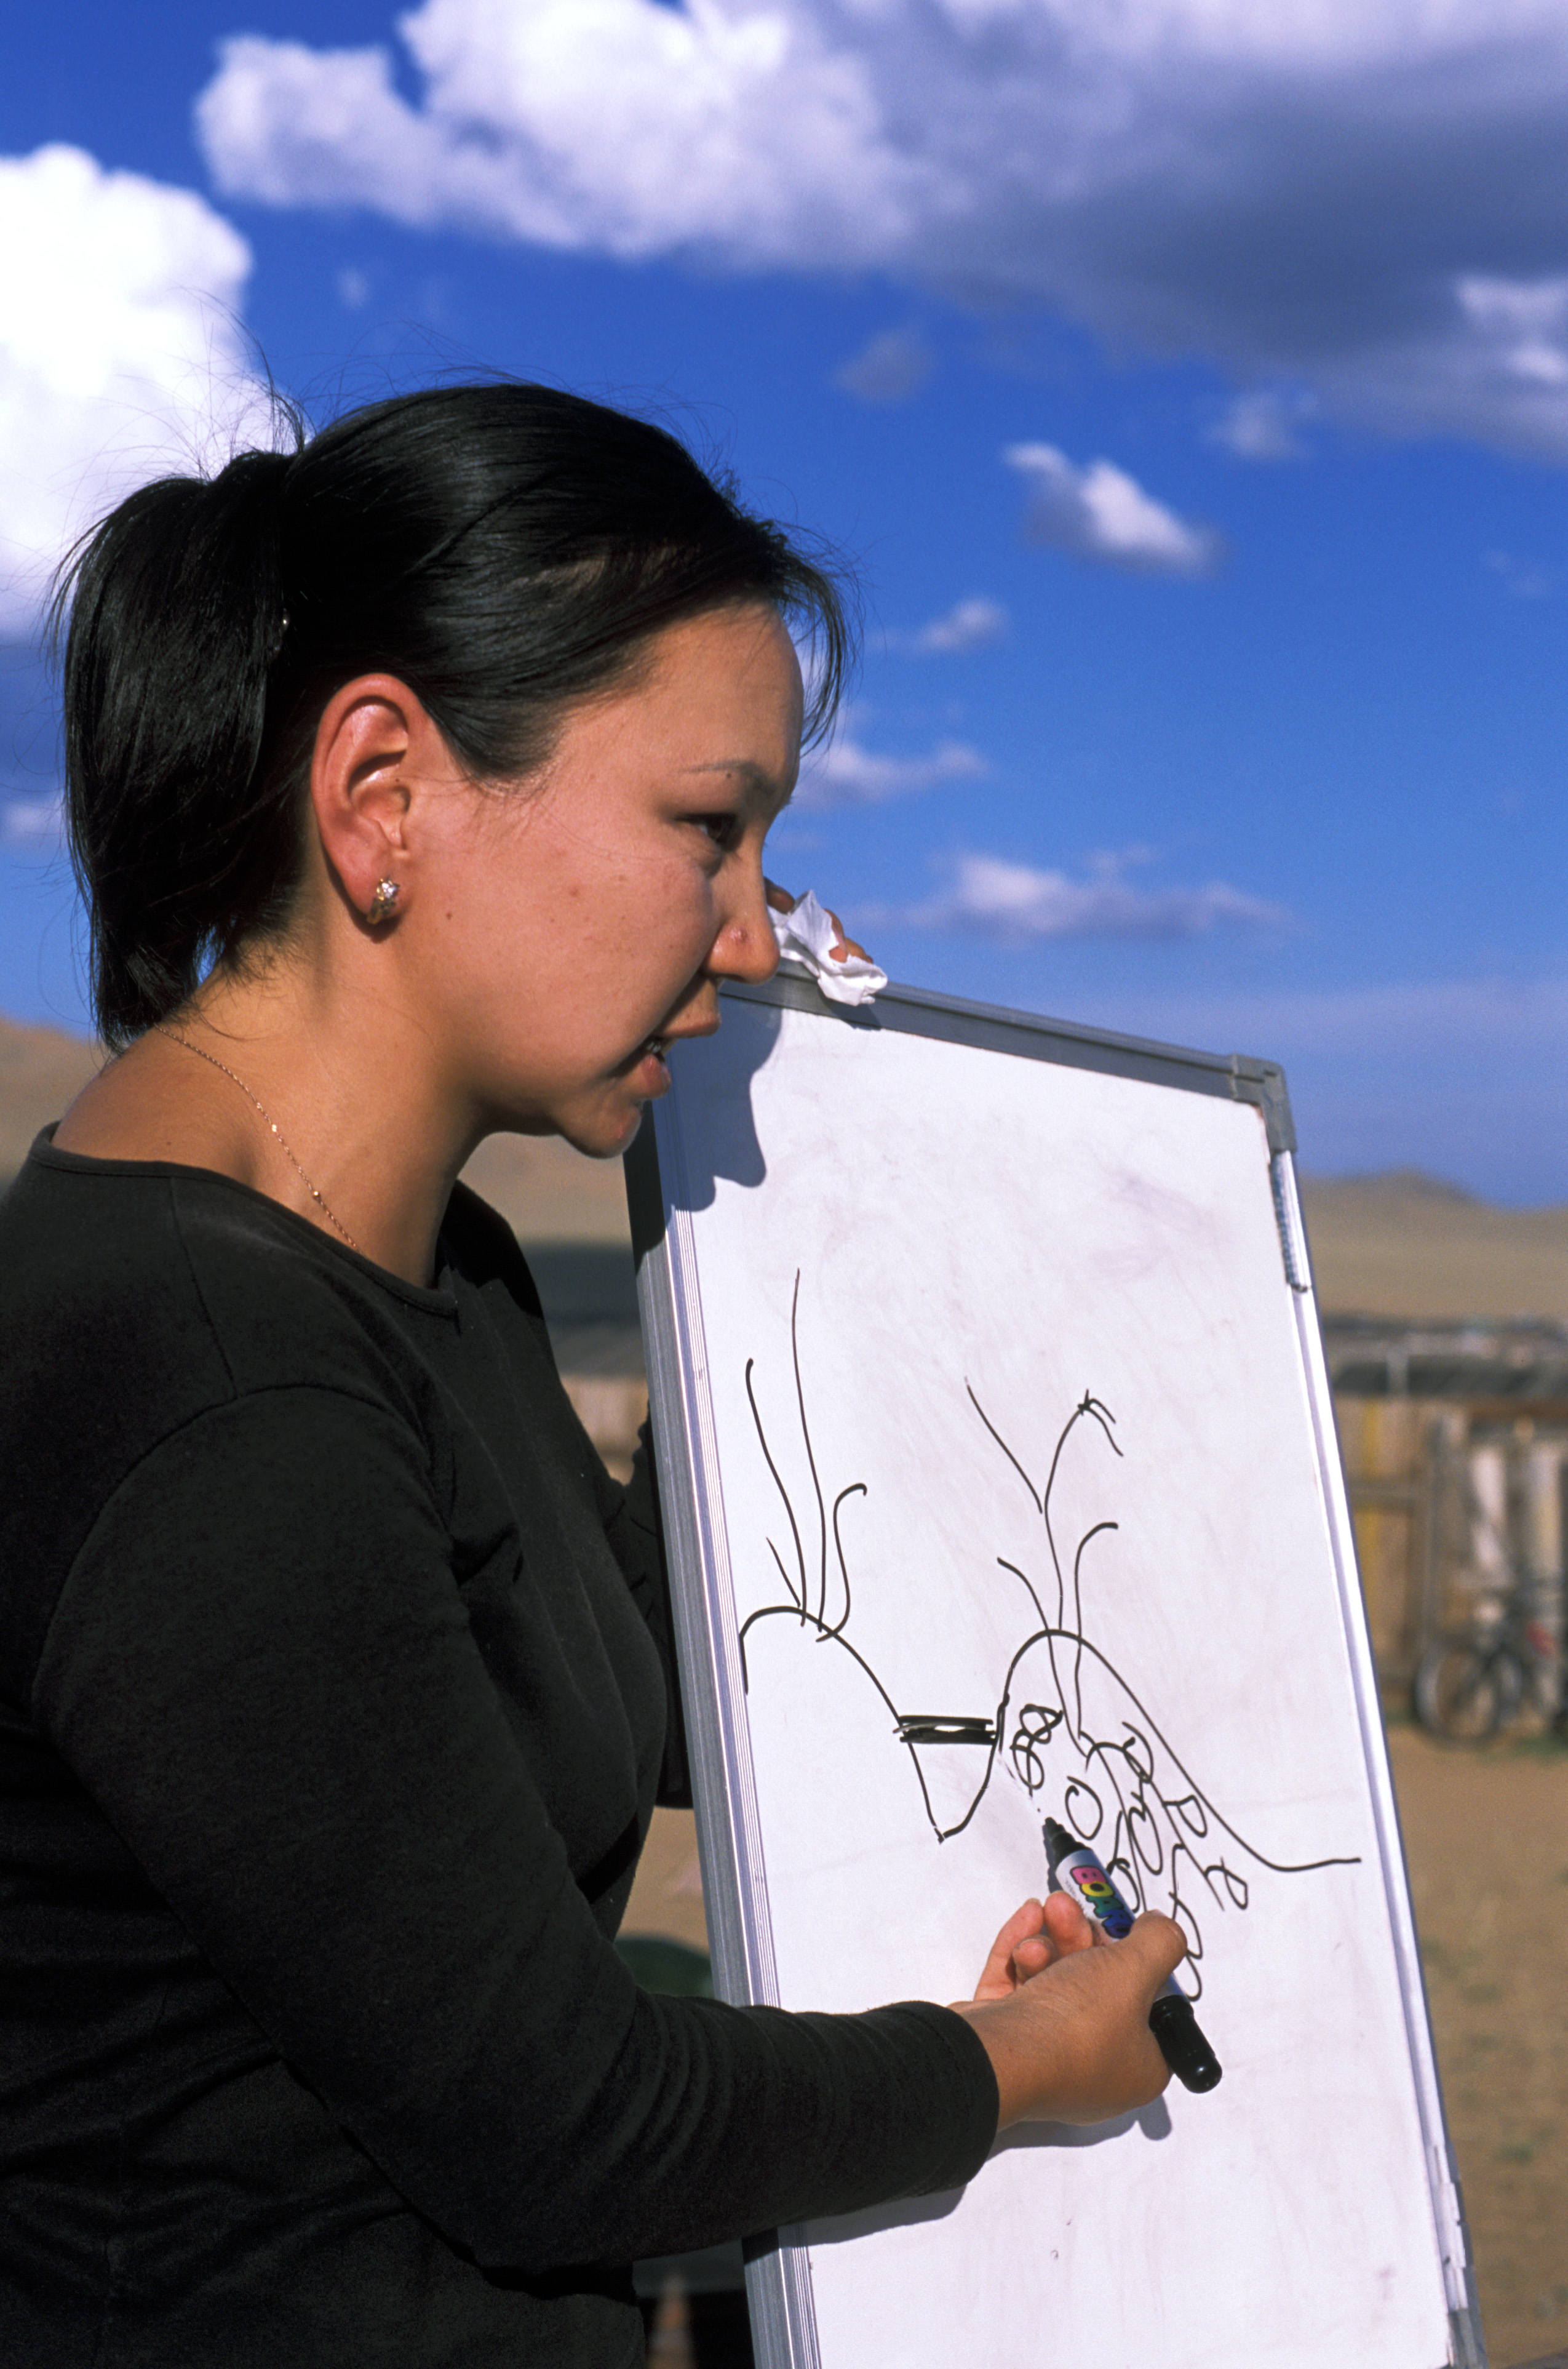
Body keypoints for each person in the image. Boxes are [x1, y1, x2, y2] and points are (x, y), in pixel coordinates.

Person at [0, 382, 1185, 2367]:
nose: (749, 937)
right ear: (384, 792)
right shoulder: (204, 1380)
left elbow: (661, 1685)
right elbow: (563, 2124)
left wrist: (840, 1173)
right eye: (706, 828)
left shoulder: (432, 1266)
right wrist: (1005, 2066)